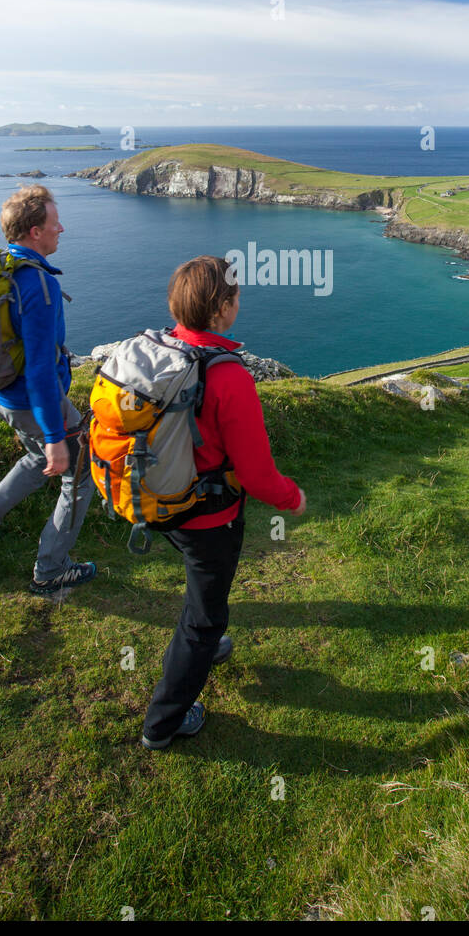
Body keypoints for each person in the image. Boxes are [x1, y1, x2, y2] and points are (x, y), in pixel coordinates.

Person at [141, 255, 306, 750]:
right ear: (221, 309)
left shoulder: (160, 349)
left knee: (198, 588)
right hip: (208, 515)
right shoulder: (229, 375)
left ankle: (205, 647)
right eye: (236, 296)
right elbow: (256, 474)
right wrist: (290, 496)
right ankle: (162, 725)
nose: (240, 302)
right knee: (205, 615)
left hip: (158, 503)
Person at [0, 185, 96, 596]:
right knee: (80, 477)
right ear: (34, 232)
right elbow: (42, 371)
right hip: (33, 399)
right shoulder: (38, 285)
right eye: (53, 223)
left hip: (5, 396)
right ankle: (51, 569)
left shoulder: (4, 269)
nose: (61, 229)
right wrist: (54, 436)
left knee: (35, 459)